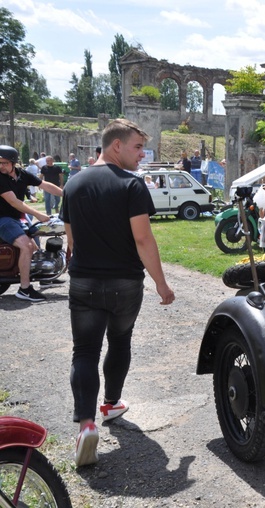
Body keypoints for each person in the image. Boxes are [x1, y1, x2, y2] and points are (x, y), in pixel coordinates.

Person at [60, 118, 175, 467]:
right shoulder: (132, 185)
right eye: (137, 148)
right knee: (120, 341)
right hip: (125, 283)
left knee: (84, 352)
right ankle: (111, 404)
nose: (142, 155)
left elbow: (71, 241)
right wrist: (161, 282)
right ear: (116, 146)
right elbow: (143, 239)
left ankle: (86, 425)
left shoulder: (73, 184)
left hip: (84, 282)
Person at [0, 145, 63, 302]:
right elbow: (14, 202)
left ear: (13, 163)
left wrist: (67, 194)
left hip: (14, 218)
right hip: (3, 219)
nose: (1, 166)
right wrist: (38, 214)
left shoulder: (22, 174)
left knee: (35, 247)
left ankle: (46, 275)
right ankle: (25, 289)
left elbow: (44, 185)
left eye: (5, 163)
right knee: (26, 246)